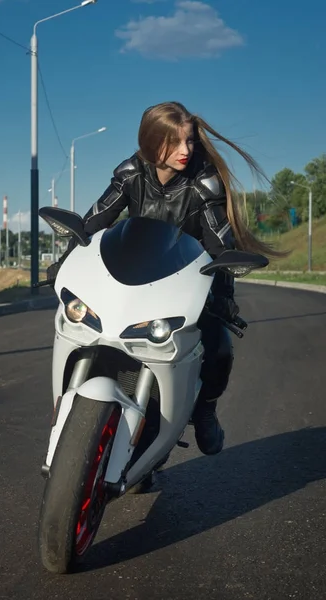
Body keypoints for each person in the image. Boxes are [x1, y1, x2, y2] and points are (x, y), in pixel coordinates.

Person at [47, 101, 282, 456]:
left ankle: (205, 410)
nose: (185, 151)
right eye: (174, 143)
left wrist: (222, 298)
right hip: (133, 274)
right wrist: (63, 262)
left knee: (218, 347)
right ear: (150, 141)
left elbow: (220, 247)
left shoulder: (204, 185)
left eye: (188, 141)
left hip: (183, 280)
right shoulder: (131, 173)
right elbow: (93, 222)